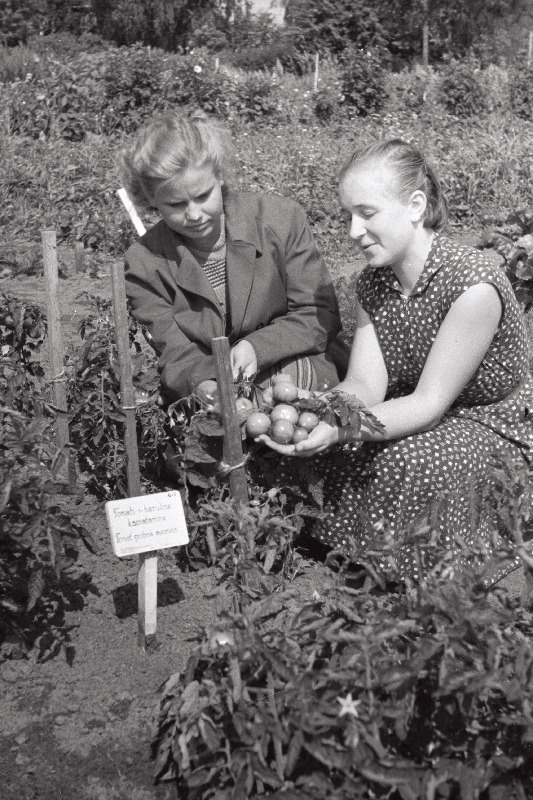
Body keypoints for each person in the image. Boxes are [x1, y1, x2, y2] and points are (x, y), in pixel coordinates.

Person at [258, 138, 532, 585]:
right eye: (347, 215)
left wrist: (345, 427)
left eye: (367, 213)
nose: (352, 231)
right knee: (344, 442)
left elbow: (427, 405)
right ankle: (365, 554)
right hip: (427, 409)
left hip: (493, 425)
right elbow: (366, 384)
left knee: (408, 456)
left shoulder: (472, 285)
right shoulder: (375, 282)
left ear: (415, 206)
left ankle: (432, 571)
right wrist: (324, 408)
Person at [119, 110, 349, 403]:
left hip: (297, 359)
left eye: (203, 196)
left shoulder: (279, 220)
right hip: (214, 381)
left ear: (220, 177)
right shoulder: (145, 263)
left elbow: (318, 314)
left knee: (288, 401)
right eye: (176, 204)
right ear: (151, 200)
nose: (194, 214)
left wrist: (257, 347)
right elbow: (175, 352)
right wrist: (206, 388)